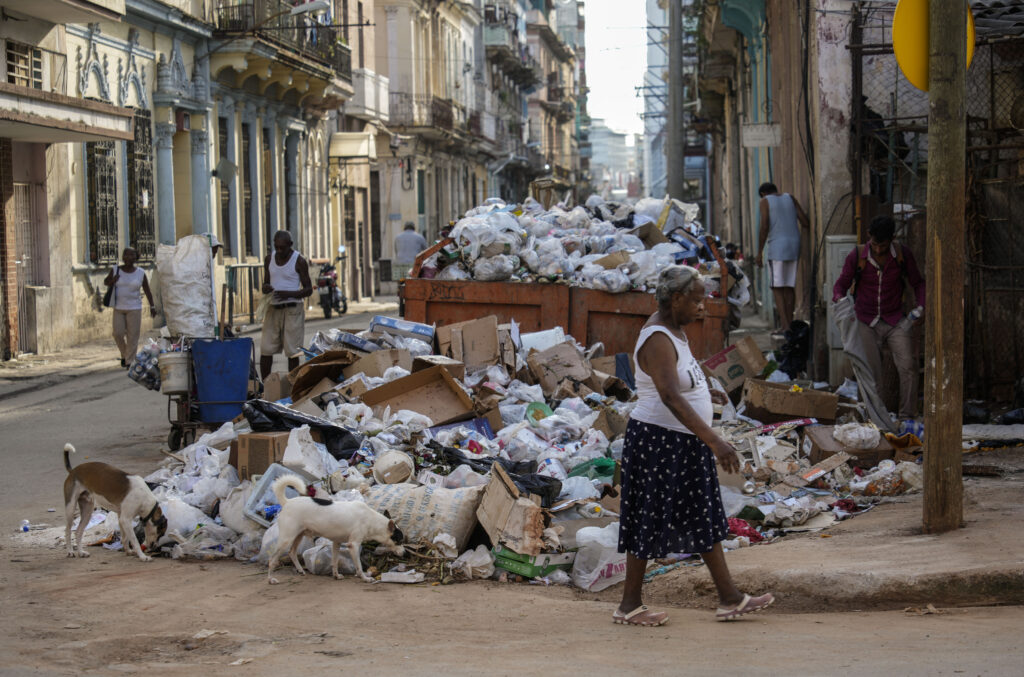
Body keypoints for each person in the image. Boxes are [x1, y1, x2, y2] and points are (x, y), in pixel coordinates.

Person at [613, 265, 774, 627]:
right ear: (677, 299)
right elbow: (669, 395)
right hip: (659, 441)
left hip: (682, 442)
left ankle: (729, 598)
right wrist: (715, 440)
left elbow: (681, 381)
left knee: (702, 516)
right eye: (698, 300)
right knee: (648, 518)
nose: (703, 306)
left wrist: (705, 389)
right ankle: (628, 606)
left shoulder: (676, 331)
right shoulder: (657, 337)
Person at [832, 215, 925, 421]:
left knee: (908, 366)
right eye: (875, 244)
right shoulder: (856, 255)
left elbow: (918, 282)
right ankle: (874, 418)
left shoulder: (902, 254)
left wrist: (921, 306)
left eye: (883, 245)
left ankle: (907, 416)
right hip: (865, 320)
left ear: (892, 239)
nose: (879, 250)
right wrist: (840, 300)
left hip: (895, 319)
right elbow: (840, 285)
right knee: (871, 373)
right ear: (869, 237)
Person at [755, 183, 810, 334]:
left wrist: (759, 251)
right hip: (794, 245)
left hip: (777, 246)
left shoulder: (764, 201)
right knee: (789, 285)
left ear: (763, 194)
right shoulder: (790, 198)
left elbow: (764, 224)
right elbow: (805, 221)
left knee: (777, 287)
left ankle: (785, 326)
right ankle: (790, 325)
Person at [260, 231, 312, 379]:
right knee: (266, 349)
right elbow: (266, 282)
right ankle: (266, 386)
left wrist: (289, 294)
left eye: (282, 247)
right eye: (277, 247)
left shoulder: (299, 261)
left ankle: (292, 386)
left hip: (292, 309)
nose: (279, 251)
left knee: (292, 351)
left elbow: (308, 289)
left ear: (290, 245)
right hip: (273, 308)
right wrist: (266, 288)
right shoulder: (269, 259)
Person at [103, 247, 156, 368]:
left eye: (131, 255)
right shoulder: (116, 270)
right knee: (118, 333)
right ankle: (125, 354)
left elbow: (147, 291)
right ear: (122, 257)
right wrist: (112, 280)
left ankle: (129, 361)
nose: (128, 257)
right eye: (125, 255)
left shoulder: (140, 273)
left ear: (136, 257)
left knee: (133, 336)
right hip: (118, 307)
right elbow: (106, 282)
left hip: (134, 308)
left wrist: (152, 306)